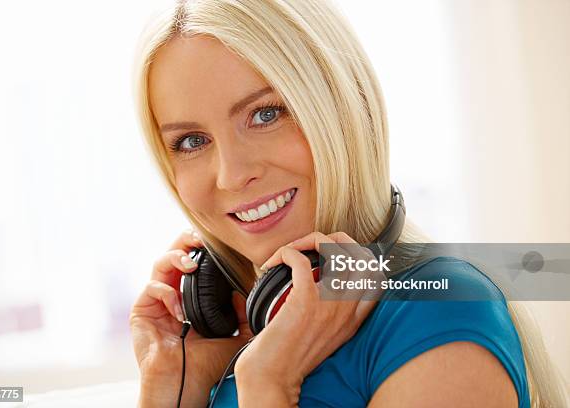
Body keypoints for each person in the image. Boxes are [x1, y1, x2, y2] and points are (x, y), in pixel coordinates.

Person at [129, 1, 567, 407]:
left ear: (341, 109)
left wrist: (269, 386)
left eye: (266, 114)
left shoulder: (437, 312)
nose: (231, 174)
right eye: (191, 141)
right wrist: (168, 389)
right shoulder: (233, 339)